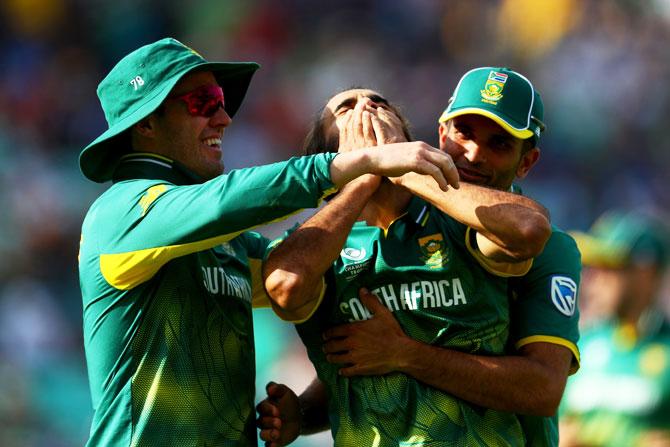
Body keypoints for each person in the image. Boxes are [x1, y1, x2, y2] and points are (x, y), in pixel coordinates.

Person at [77, 37, 459, 446]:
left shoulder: (228, 245)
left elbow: (296, 276)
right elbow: (226, 202)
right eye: (202, 102)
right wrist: (357, 164)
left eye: (220, 100)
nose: (223, 118)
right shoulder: (120, 213)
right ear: (146, 124)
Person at [257, 68, 581, 446]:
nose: (474, 153)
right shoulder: (319, 244)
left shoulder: (496, 236)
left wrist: (403, 168)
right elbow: (352, 347)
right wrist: (307, 412)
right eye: (347, 109)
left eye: (500, 144)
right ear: (441, 135)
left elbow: (541, 389)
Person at [559, 210, 670, 447]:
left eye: (608, 267)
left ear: (646, 273)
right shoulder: (580, 346)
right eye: (591, 268)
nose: (592, 280)